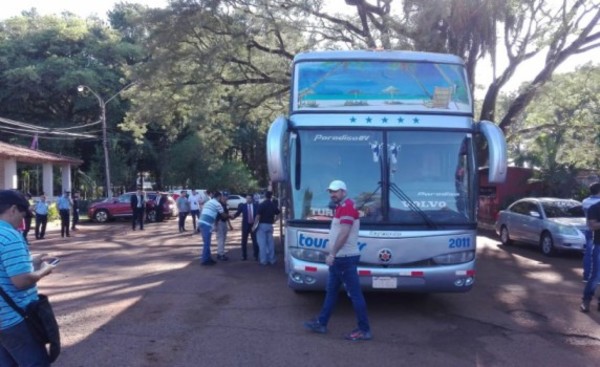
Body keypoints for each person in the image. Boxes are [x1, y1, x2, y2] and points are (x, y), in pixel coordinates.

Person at [304, 180, 372, 341]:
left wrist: (332, 254)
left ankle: (364, 329)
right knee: (331, 292)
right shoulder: (341, 207)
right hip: (340, 260)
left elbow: (344, 233)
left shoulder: (347, 207)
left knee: (355, 294)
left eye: (335, 191)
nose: (332, 194)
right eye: (330, 191)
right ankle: (322, 322)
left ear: (344, 192)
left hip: (344, 259)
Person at [0, 190, 57, 366]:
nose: (22, 221)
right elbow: (21, 281)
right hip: (15, 319)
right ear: (13, 210)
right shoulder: (10, 236)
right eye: (23, 215)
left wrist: (31, 260)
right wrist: (43, 271)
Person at [581, 190, 600, 313]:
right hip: (599, 246)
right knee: (596, 276)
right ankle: (586, 300)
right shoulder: (595, 207)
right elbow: (592, 225)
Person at [198, 191, 229, 265]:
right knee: (207, 243)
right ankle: (205, 260)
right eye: (221, 197)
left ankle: (208, 258)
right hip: (207, 224)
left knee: (206, 242)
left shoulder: (208, 202)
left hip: (201, 222)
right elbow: (223, 215)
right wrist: (230, 216)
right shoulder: (218, 204)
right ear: (218, 197)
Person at [255, 191, 280, 265]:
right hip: (270, 225)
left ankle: (263, 260)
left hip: (262, 225)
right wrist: (274, 221)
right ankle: (272, 259)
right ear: (271, 196)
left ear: (265, 196)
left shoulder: (262, 204)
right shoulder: (273, 204)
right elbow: (278, 214)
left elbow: (258, 216)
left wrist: (254, 226)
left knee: (262, 243)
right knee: (270, 243)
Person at [582, 182, 600, 282]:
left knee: (588, 253)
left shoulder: (585, 201)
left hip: (588, 230)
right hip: (597, 231)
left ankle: (587, 275)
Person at [233, 194, 259, 260]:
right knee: (244, 241)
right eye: (247, 198)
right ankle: (244, 256)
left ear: (252, 199)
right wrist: (232, 217)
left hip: (253, 226)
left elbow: (259, 215)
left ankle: (256, 255)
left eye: (249, 198)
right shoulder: (243, 206)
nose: (248, 200)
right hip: (245, 226)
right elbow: (238, 213)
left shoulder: (256, 206)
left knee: (255, 241)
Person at [215, 194, 233, 261]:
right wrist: (215, 225)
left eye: (226, 197)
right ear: (221, 198)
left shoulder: (225, 205)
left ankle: (221, 253)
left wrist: (230, 225)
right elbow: (218, 215)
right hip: (219, 222)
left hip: (224, 222)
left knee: (223, 239)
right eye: (224, 197)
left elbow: (226, 216)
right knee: (221, 239)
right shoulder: (219, 205)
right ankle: (220, 254)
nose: (226, 198)